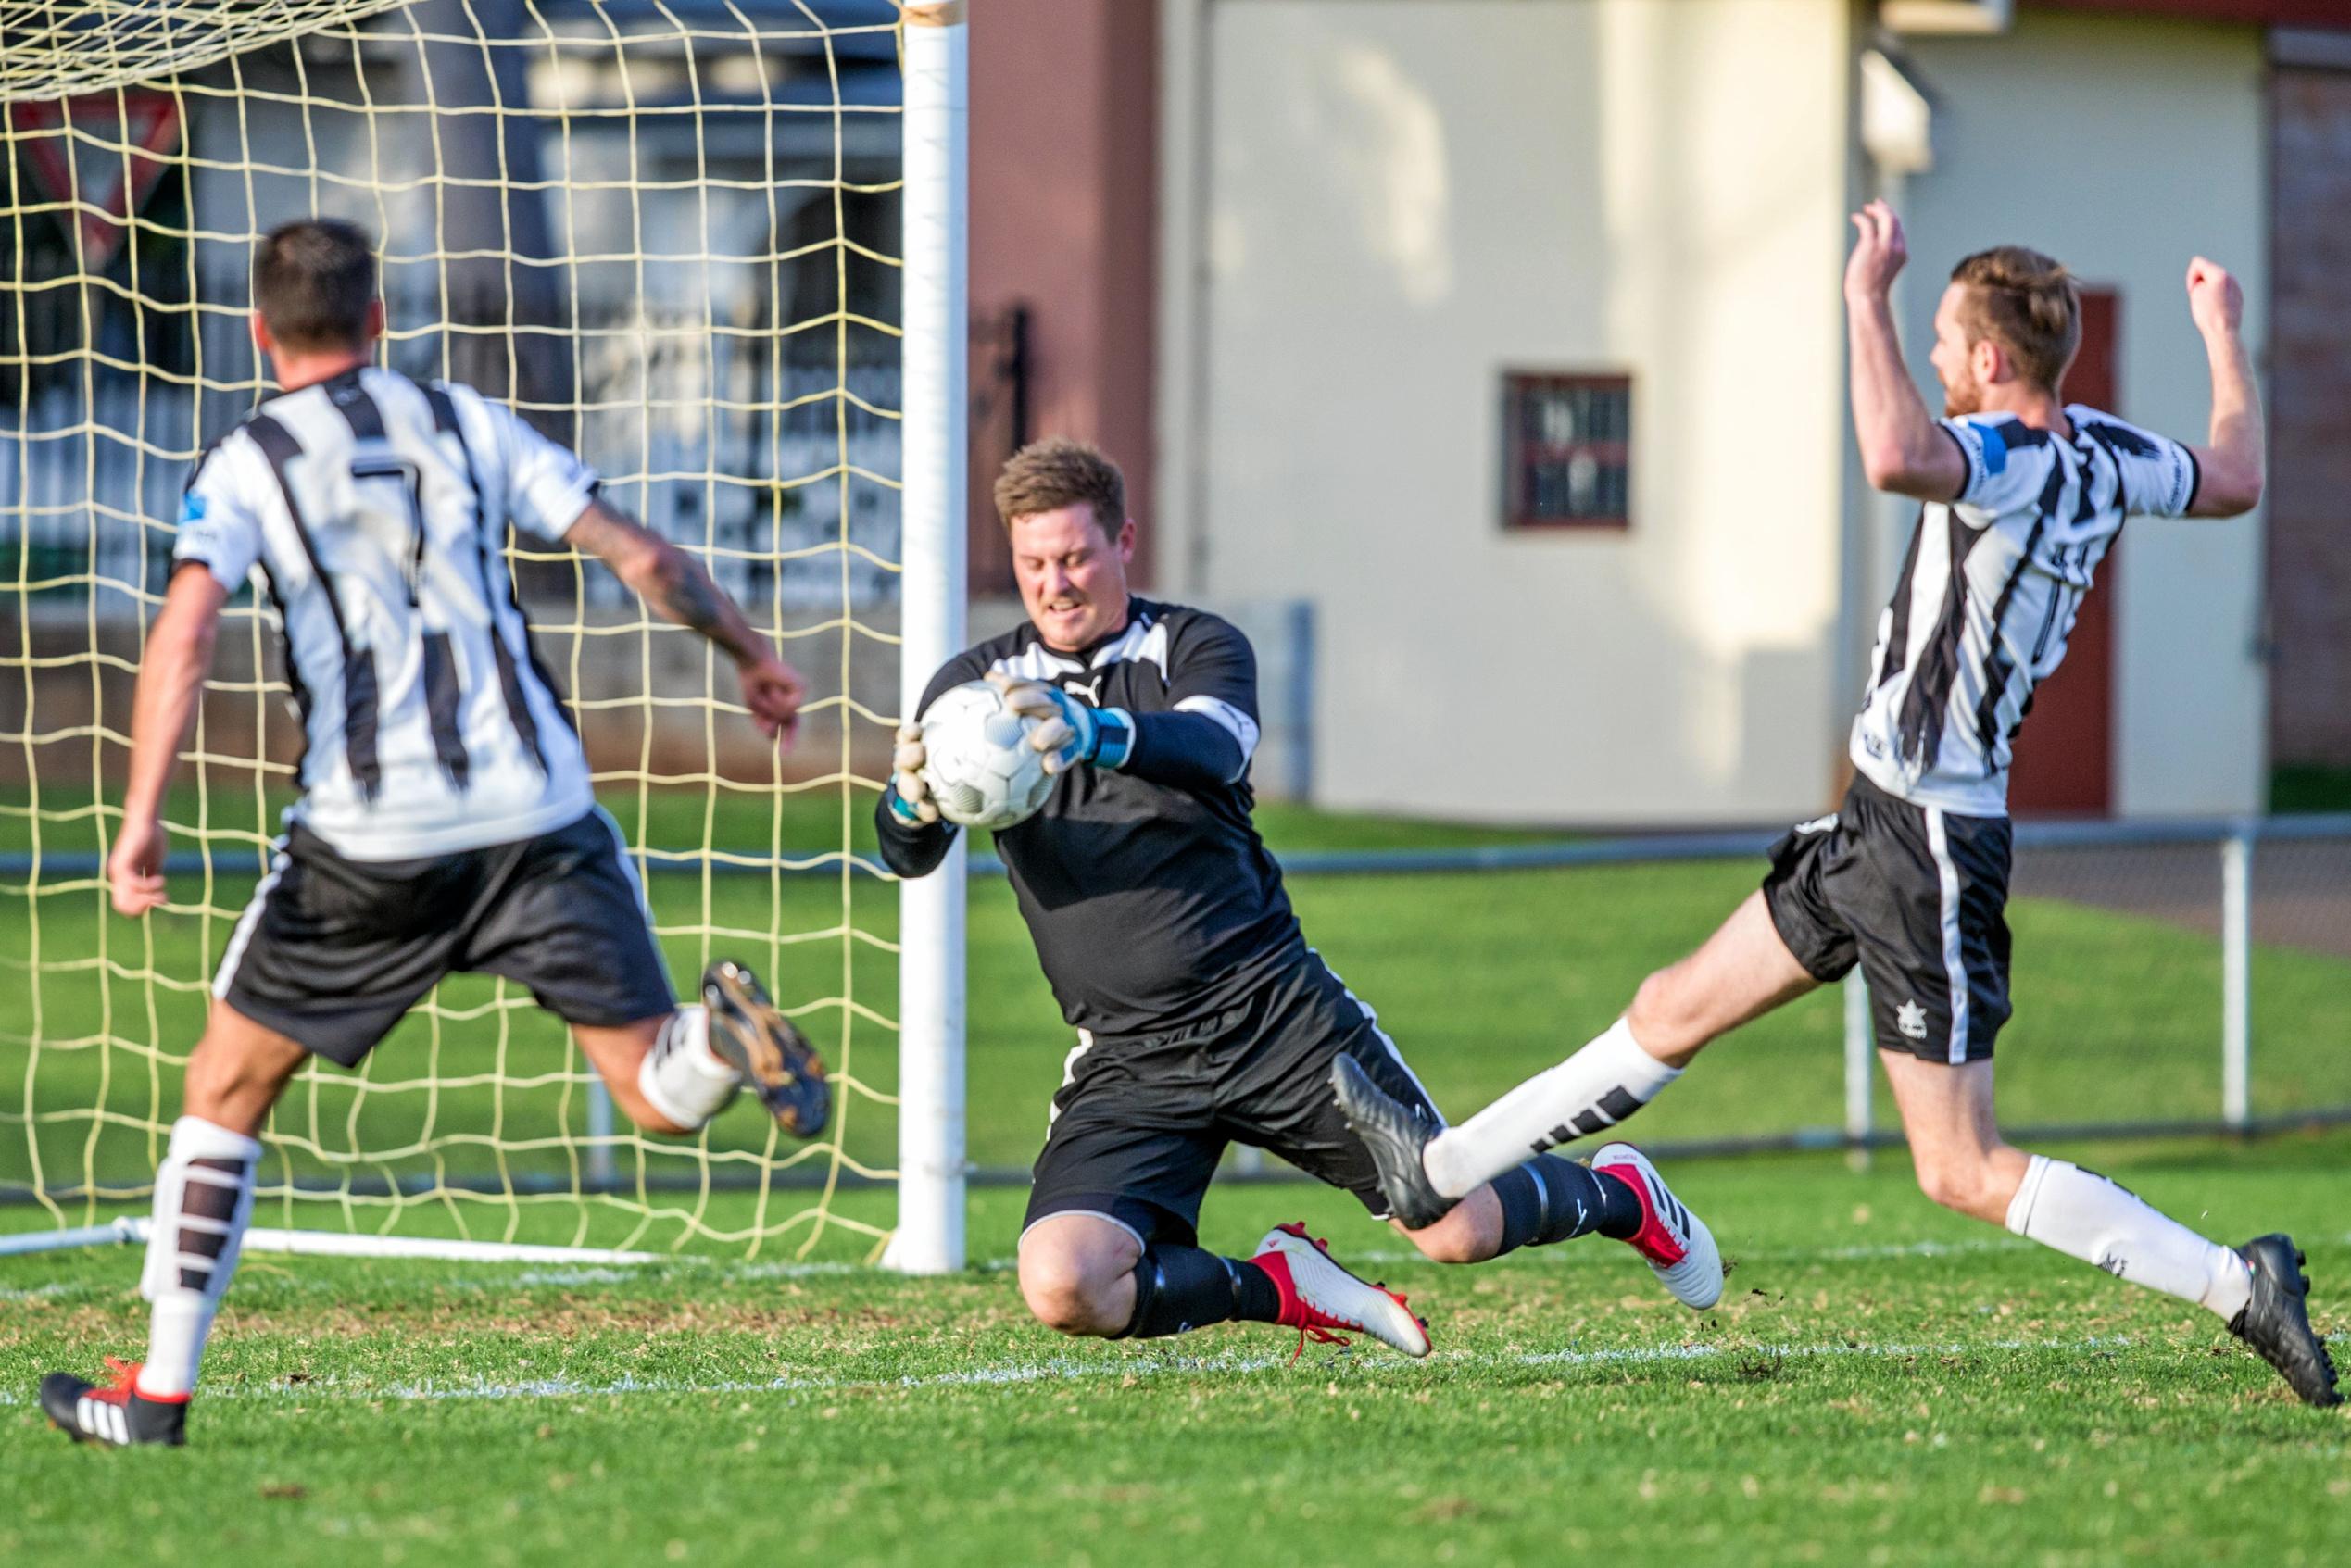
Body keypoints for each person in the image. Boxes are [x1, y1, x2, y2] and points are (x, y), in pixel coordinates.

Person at [1335, 202, 2337, 1408]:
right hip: (1877, 820)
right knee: (1667, 1007)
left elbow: (1892, 457)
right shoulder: (2103, 454)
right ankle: (1436, 1165)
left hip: (1928, 840)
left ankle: (2240, 1286)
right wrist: (2221, 332)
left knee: (1958, 1165)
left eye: (1939, 344)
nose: (1927, 361)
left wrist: (1861, 295)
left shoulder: (2008, 463)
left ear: (1986, 360)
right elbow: (2229, 478)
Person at [41, 219, 830, 1447]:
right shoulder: (462, 417)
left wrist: (140, 817)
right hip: (539, 811)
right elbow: (639, 555)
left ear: (259, 332)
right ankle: (722, 1043)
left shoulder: (250, 458)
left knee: (225, 1084)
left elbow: (186, 632)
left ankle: (157, 1390)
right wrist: (751, 655)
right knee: (651, 1092)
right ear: (376, 323)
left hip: (371, 834)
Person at [880, 437, 1723, 1361]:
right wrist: (910, 801)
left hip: (1276, 1018)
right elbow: (907, 852)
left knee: (1456, 1227)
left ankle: (1623, 1197)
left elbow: (1215, 747)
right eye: (1033, 563)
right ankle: (1277, 1285)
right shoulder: (970, 692)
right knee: (1064, 1279)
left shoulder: (1194, 647)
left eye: (1075, 556)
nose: (1055, 583)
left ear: (1124, 539)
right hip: (1128, 1055)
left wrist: (1093, 730)